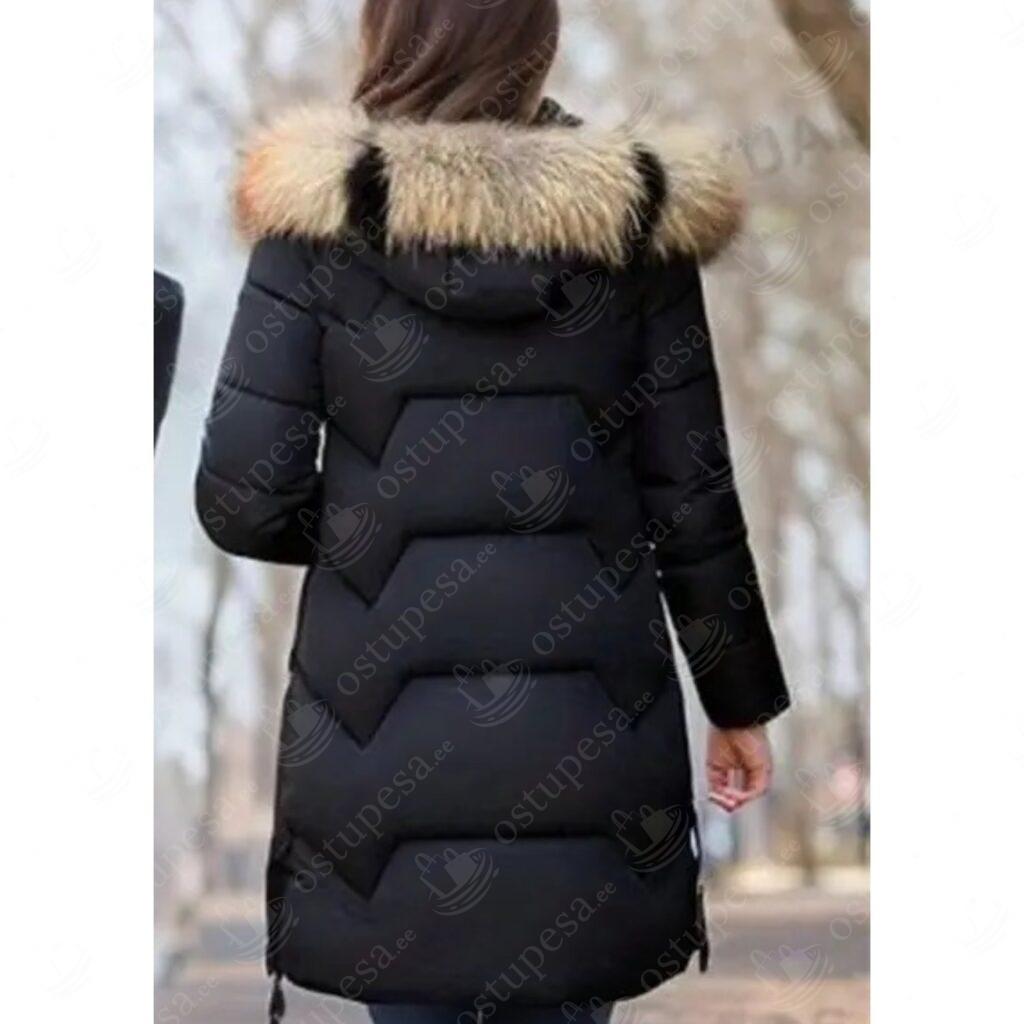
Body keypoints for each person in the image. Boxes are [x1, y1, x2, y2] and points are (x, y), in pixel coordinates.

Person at [195, 1, 790, 1021]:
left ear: (389, 31)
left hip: (382, 759)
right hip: (587, 755)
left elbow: (245, 496)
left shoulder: (317, 223)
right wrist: (737, 701)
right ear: (537, 43)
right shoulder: (634, 227)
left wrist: (376, 545)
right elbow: (691, 499)